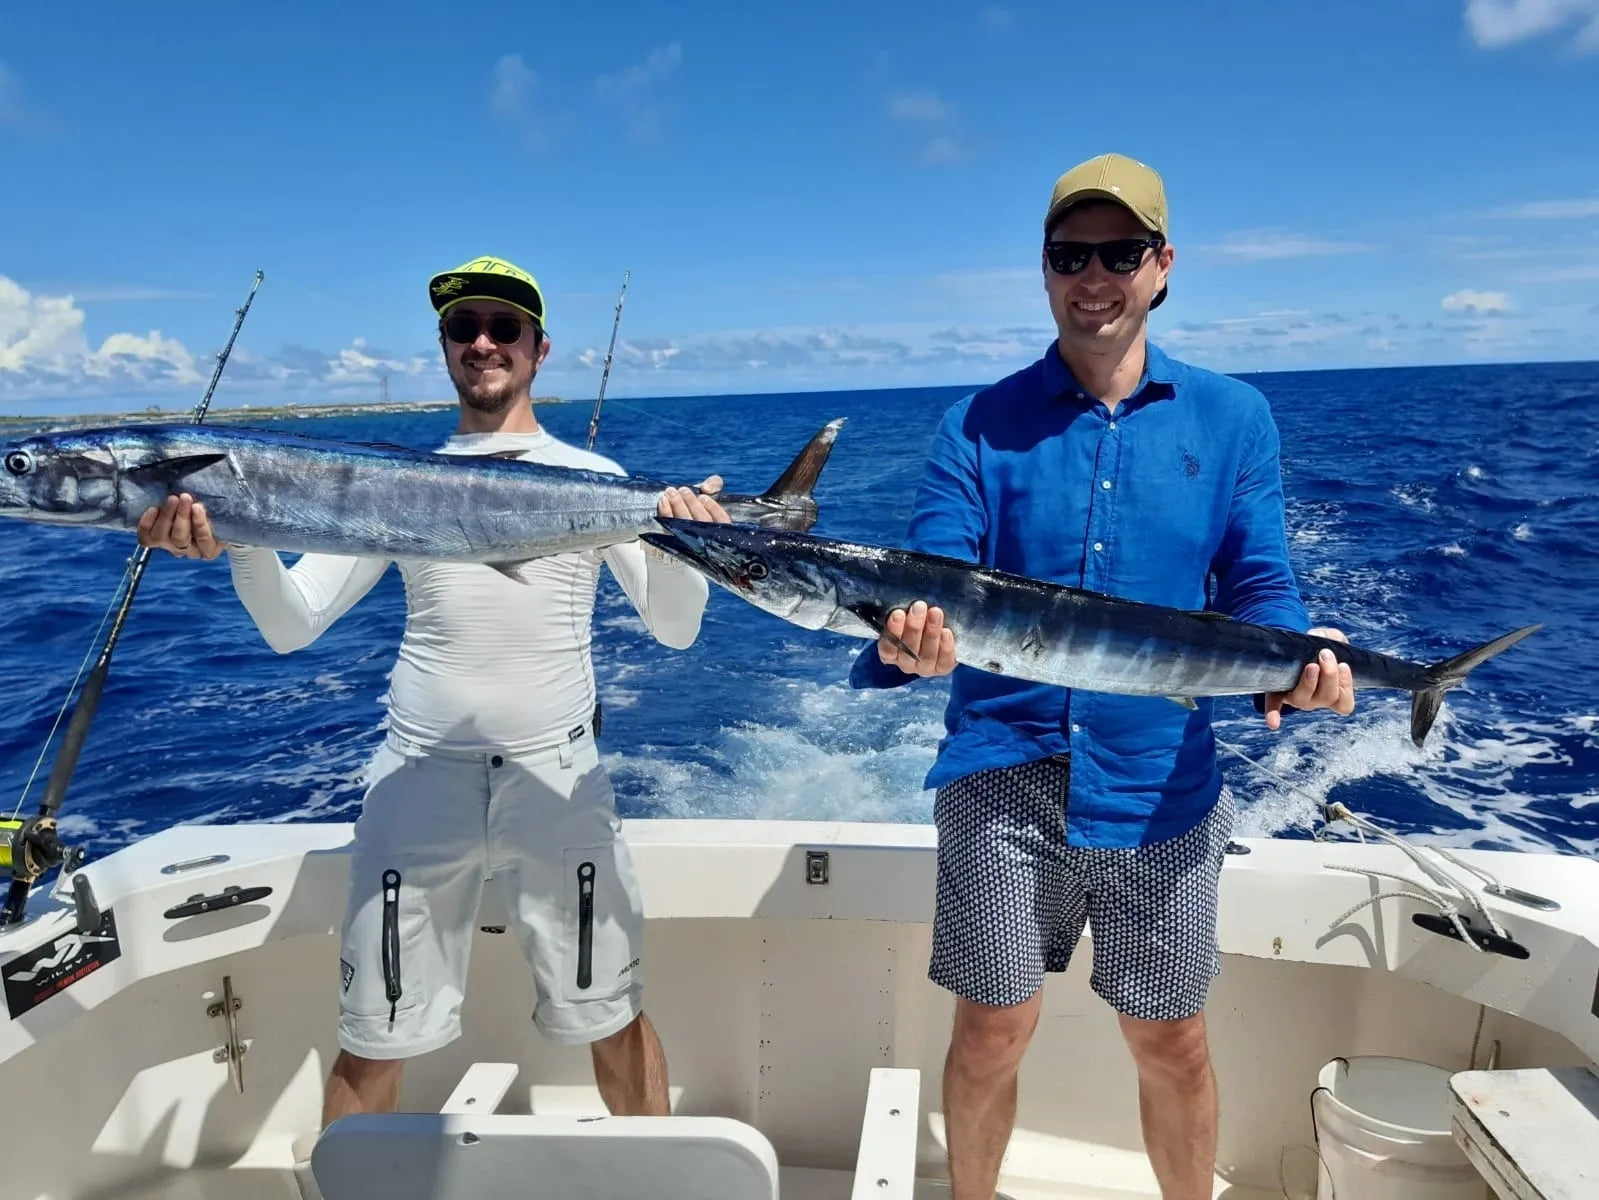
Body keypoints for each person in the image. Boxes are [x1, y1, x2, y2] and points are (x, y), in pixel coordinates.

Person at [135, 256, 729, 1170]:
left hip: (559, 782)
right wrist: (243, 539)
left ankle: (652, 1182)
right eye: (463, 328)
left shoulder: (593, 477)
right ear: (445, 347)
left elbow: (674, 630)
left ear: (538, 349)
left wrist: (684, 546)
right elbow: (293, 626)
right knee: (374, 1031)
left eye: (503, 327)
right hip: (417, 782)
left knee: (609, 1016)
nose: (483, 343)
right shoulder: (396, 483)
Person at [847, 156, 1356, 1200]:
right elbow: (936, 570)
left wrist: (1293, 660)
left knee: (1171, 1041)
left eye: (1119, 253)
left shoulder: (1233, 417)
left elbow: (1260, 580)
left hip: (1162, 782)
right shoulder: (973, 423)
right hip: (1003, 775)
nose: (1093, 277)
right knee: (992, 1029)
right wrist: (906, 642)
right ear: (1042, 270)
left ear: (1162, 266)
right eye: (1069, 255)